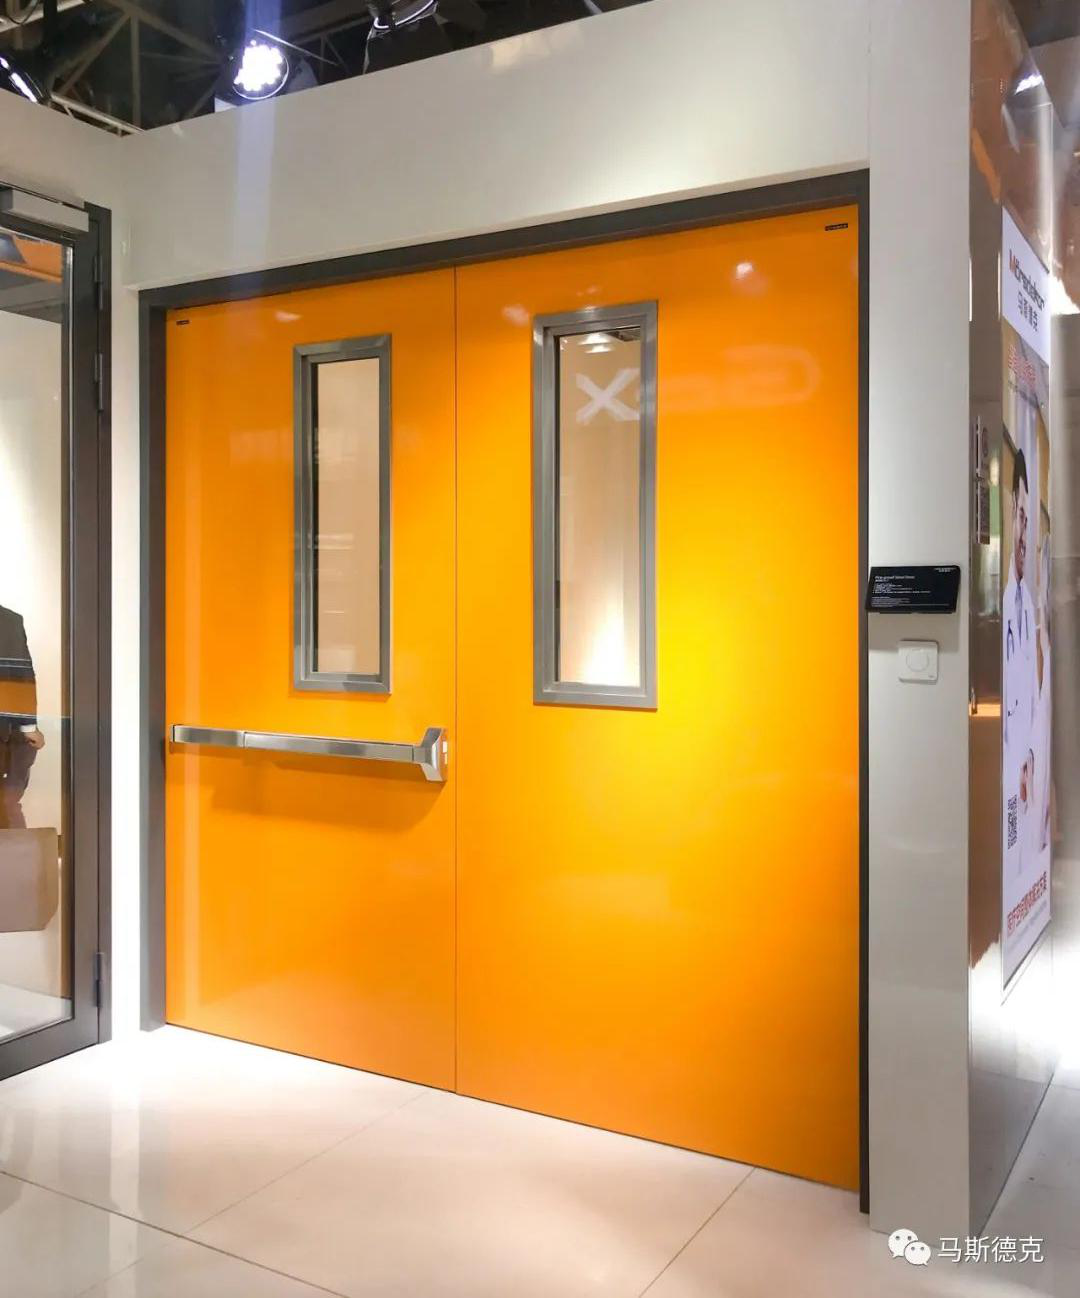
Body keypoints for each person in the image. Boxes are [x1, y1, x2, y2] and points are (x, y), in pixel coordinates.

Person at [1003, 448, 1037, 878]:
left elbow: (1029, 698)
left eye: (1030, 521)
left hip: (1022, 781)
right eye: (1022, 517)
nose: (1025, 533)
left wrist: (1029, 756)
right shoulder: (1002, 604)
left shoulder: (1027, 604)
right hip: (1003, 781)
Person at [0, 605, 44, 832]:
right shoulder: (8, 620)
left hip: (5, 732)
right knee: (8, 805)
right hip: (5, 730)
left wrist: (27, 726)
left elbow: (21, 675)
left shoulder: (9, 620)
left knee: (7, 804)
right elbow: (22, 675)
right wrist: (28, 727)